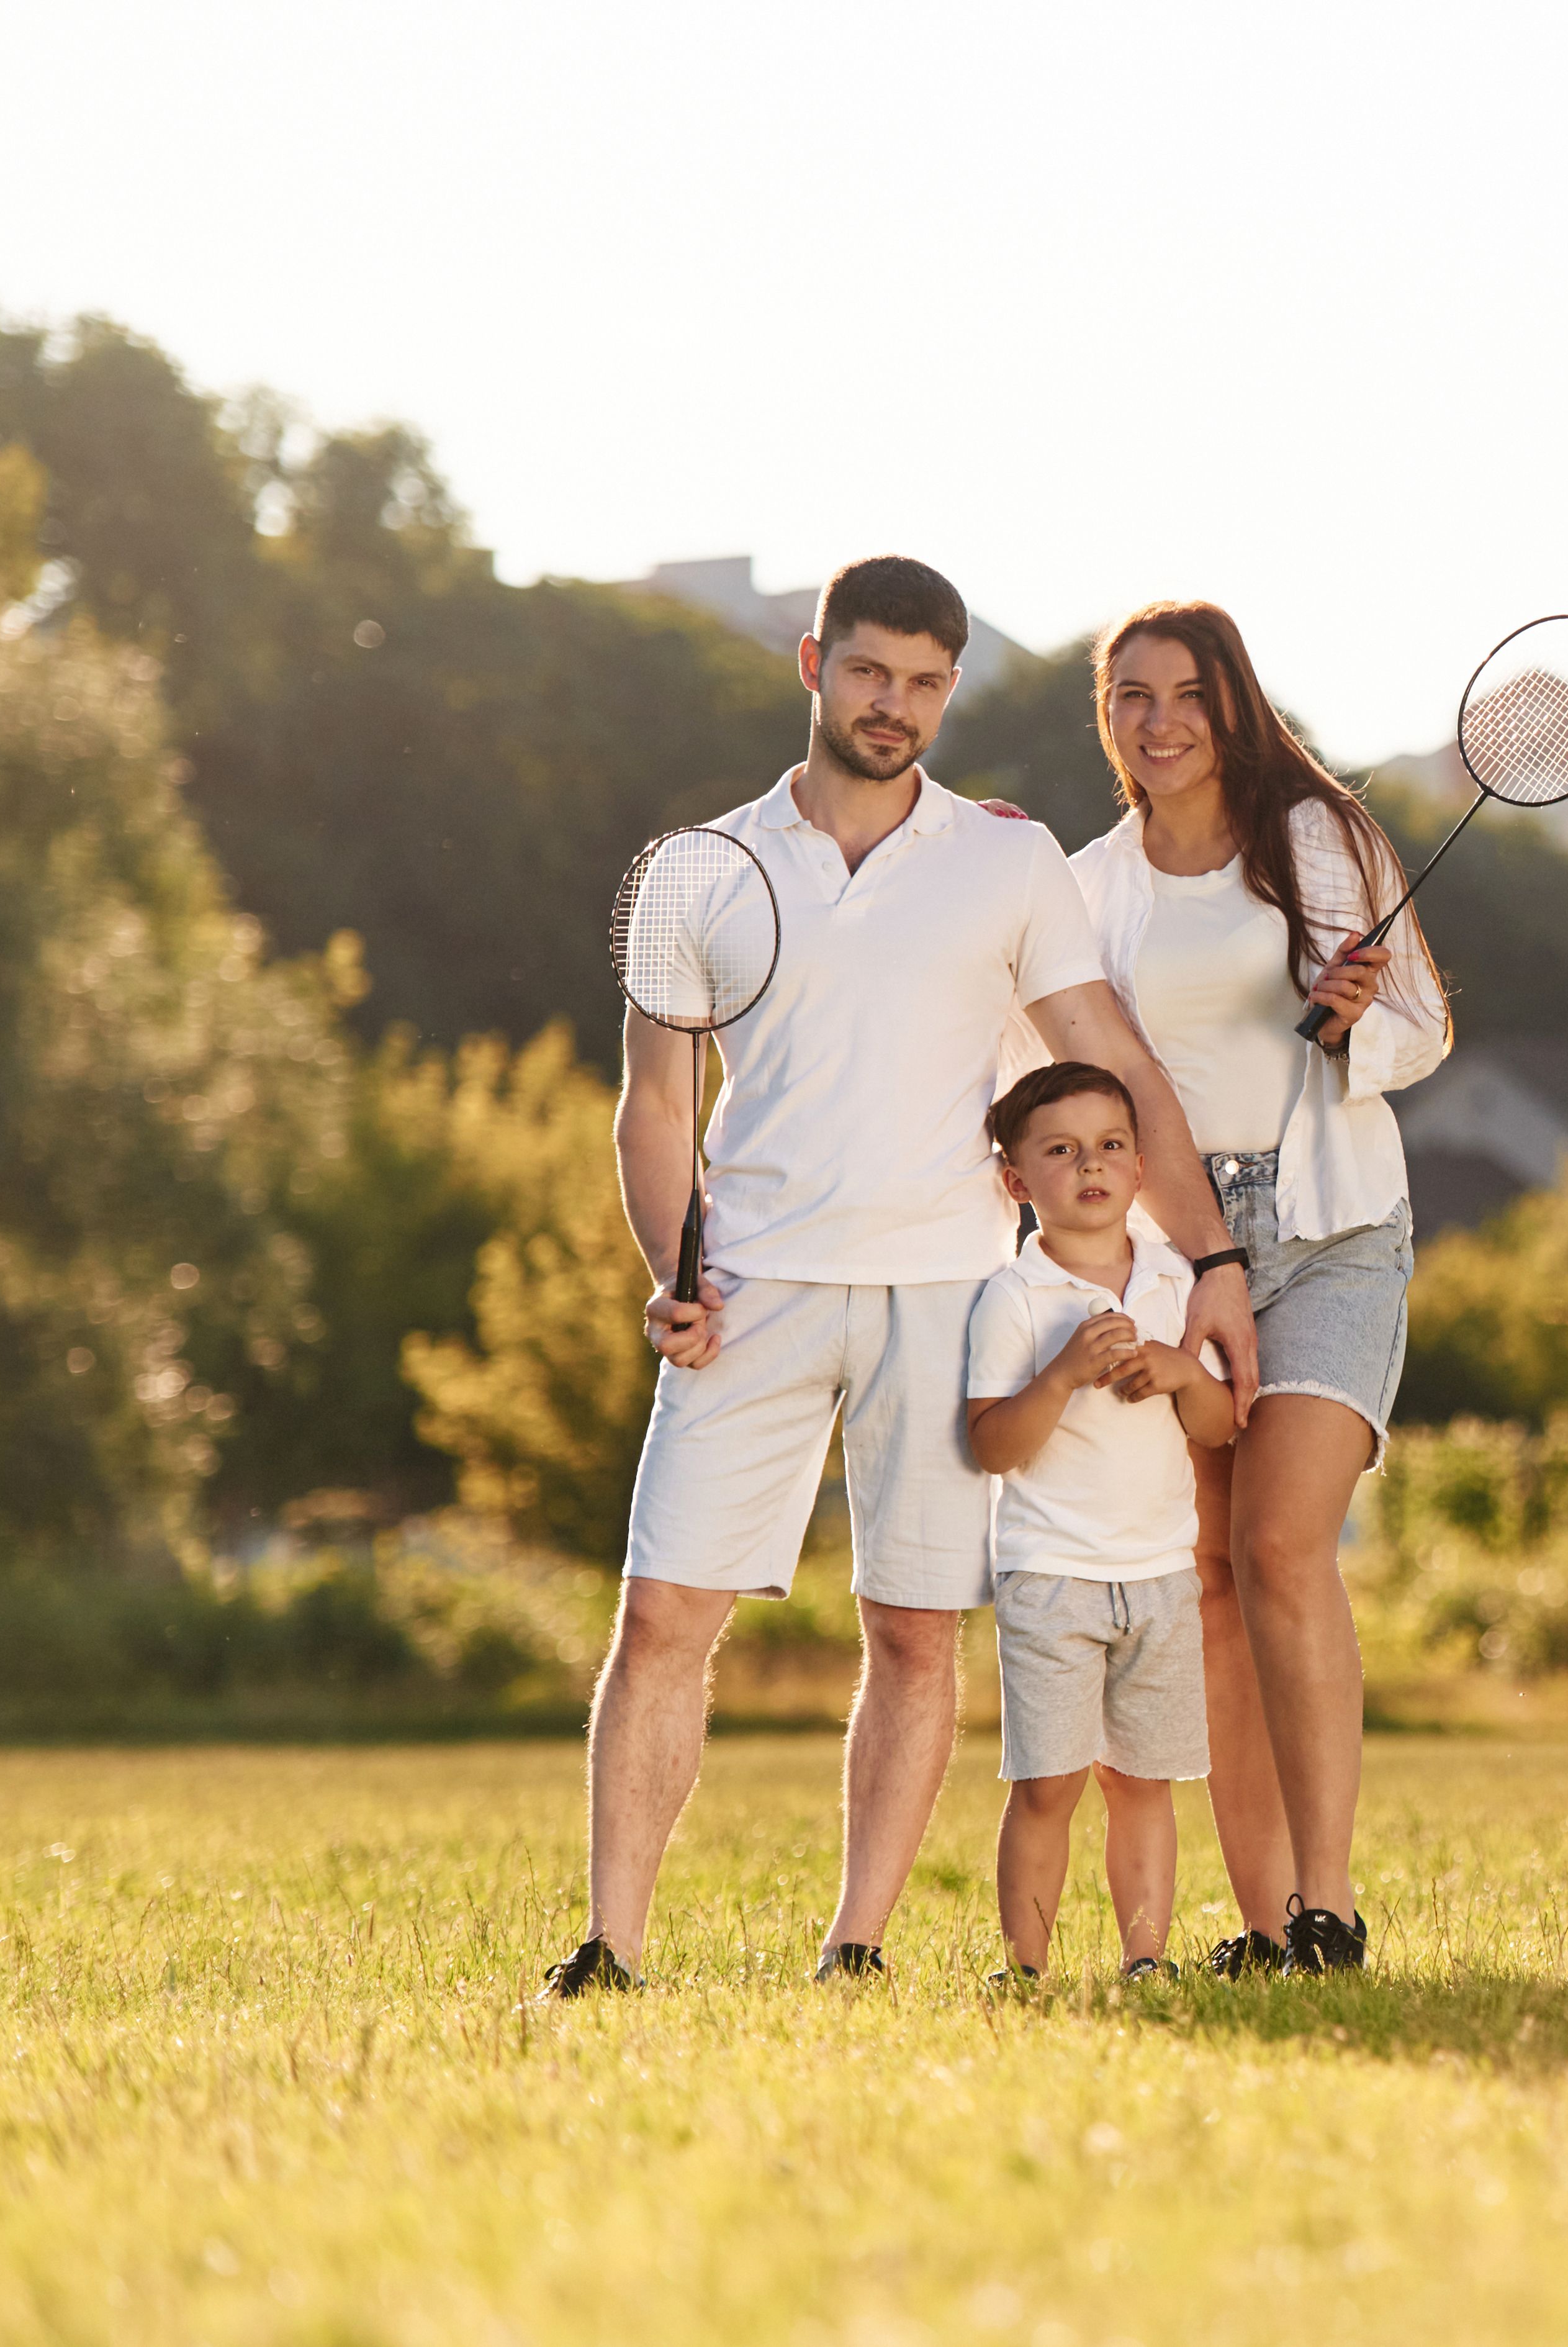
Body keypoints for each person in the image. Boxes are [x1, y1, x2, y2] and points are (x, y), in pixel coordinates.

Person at [534, 557, 1257, 2001]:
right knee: (665, 1617)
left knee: (915, 1630)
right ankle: (609, 1948)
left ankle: (854, 1947)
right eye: (873, 674)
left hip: (946, 1294)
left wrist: (1216, 1257)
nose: (899, 707)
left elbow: (1112, 1057)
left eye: (929, 683)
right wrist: (669, 1269)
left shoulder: (1005, 858)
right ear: (815, 665)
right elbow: (656, 1110)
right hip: (753, 1290)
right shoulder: (704, 867)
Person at [1067, 600, 1444, 1977]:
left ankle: (1331, 1906)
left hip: (1335, 1227)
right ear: (1104, 717)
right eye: (1128, 697)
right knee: (1215, 1582)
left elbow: (1422, 1023)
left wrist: (1356, 1027)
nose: (1156, 722)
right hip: (1178, 1247)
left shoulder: (1321, 840)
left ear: (1232, 705)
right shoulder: (1087, 883)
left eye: (1183, 695)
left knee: (1285, 1550)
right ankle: (1268, 1919)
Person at [965, 1062, 1235, 1984]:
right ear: (1016, 1180)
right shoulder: (1013, 1298)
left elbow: (1219, 1427)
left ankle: (1147, 1961)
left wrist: (1186, 1373)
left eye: (1111, 1146)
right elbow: (993, 1447)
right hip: (1051, 1577)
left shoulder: (1171, 1279)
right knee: (1047, 1783)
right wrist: (1061, 1374)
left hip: (1161, 1575)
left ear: (1140, 1164)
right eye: (1061, 1150)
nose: (1091, 1166)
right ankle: (1025, 1968)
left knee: (1144, 1783)